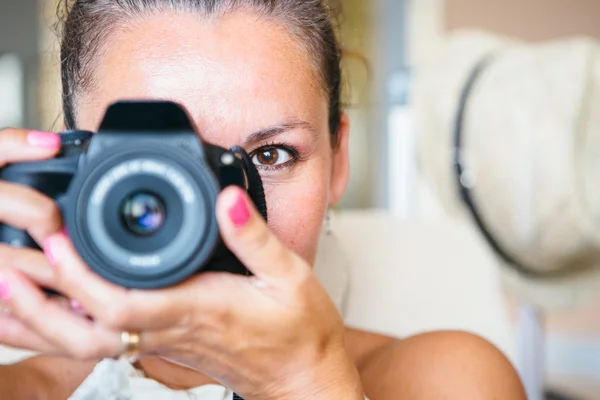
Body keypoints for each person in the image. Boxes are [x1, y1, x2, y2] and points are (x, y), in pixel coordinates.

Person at [0, 0, 526, 399]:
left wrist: (308, 381)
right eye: (155, 163)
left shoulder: (449, 380)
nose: (207, 214)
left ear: (337, 163)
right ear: (72, 170)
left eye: (271, 156)